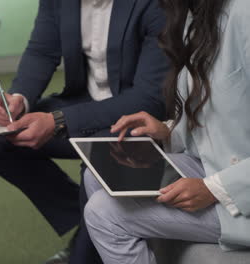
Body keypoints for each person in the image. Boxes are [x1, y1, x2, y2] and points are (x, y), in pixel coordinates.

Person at [0, 0, 168, 262]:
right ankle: (90, 221)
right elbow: (42, 51)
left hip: (136, 117)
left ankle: (88, 243)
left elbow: (148, 99)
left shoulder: (155, 5)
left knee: (99, 161)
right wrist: (19, 98)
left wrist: (59, 120)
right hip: (83, 102)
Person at [83, 0, 250, 263]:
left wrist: (213, 188)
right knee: (99, 172)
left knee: (103, 213)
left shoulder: (245, 13)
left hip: (239, 189)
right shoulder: (194, 17)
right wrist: (167, 131)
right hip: (213, 165)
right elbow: (219, 117)